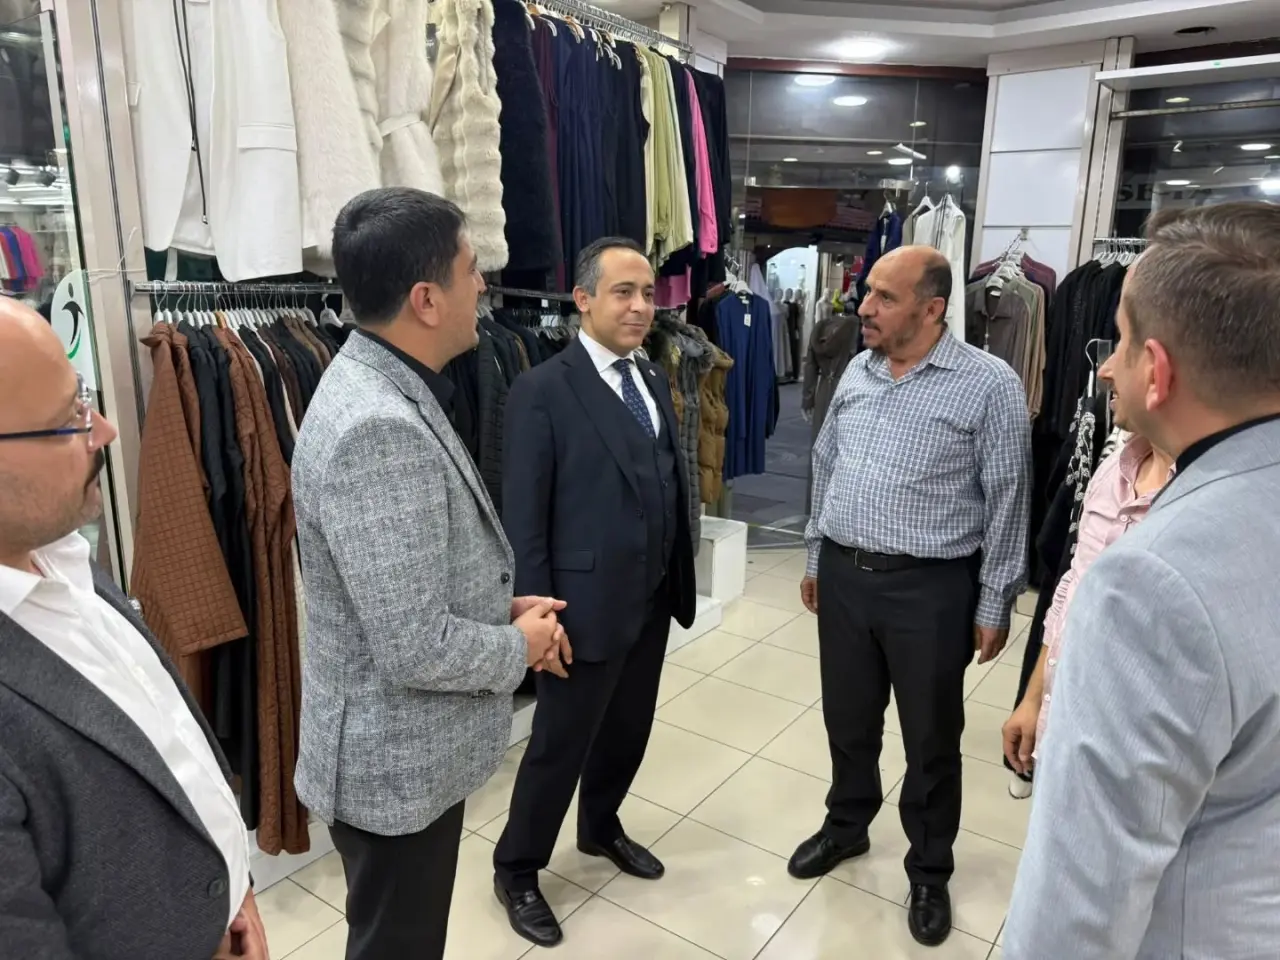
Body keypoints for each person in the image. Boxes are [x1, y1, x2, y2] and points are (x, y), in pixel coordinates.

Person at [291, 187, 565, 960]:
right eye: (472, 270)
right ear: (426, 299)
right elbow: (412, 646)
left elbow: (393, 587)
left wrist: (498, 606)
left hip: (395, 758)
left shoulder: (379, 381)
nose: (484, 287)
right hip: (393, 771)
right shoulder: (379, 426)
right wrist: (520, 646)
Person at [1005, 202, 1280, 958]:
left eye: (1121, 341)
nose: (1102, 367)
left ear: (1157, 372)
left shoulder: (1152, 581)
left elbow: (1079, 904)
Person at [0, 299, 268, 959]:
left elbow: (163, 737)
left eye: (83, 400)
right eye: (69, 420)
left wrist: (233, 885)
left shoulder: (58, 555)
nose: (105, 430)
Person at [792, 245, 1031, 947]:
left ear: (932, 309)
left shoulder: (988, 384)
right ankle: (847, 825)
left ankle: (929, 868)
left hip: (929, 589)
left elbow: (1009, 498)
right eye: (867, 292)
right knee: (848, 720)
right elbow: (826, 463)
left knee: (930, 737)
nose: (864, 307)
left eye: (884, 298)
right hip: (844, 576)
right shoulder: (858, 370)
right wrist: (816, 553)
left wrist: (995, 601)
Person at [493, 237, 697, 948]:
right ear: (582, 300)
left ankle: (601, 824)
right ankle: (517, 867)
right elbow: (524, 515)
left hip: (652, 596)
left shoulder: (652, 377)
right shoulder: (542, 390)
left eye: (648, 293)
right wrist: (536, 611)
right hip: (579, 607)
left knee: (628, 728)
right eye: (623, 292)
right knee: (559, 744)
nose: (641, 307)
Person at [1001, 422, 1174, 778]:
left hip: (1135, 763)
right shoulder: (1116, 466)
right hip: (1062, 733)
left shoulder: (1214, 501)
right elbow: (1071, 589)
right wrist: (1034, 698)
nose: (1105, 389)